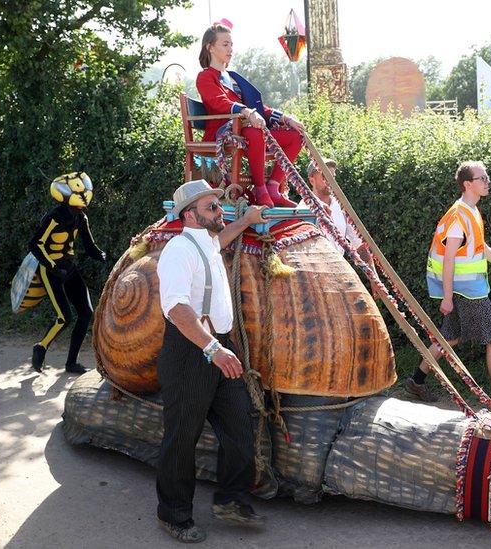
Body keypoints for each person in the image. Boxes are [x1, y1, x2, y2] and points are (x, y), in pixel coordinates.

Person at [155, 179, 268, 543]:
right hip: (192, 352)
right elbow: (176, 307)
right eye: (212, 208)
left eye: (218, 207)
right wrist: (213, 350)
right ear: (190, 215)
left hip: (217, 346)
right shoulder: (178, 250)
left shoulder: (205, 241)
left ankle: (231, 500)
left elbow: (220, 240)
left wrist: (246, 221)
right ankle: (174, 515)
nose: (220, 211)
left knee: (239, 423)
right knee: (181, 437)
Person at [407, 161, 491, 416]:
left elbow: (479, 247)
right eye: (482, 178)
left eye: (486, 177)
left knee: (449, 337)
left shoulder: (471, 211)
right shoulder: (458, 216)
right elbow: (449, 259)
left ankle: (416, 381)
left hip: (465, 289)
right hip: (466, 292)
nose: (487, 181)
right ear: (468, 184)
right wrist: (447, 298)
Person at [196, 21, 304, 208]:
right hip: (223, 134)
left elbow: (259, 107)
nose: (230, 49)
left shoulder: (233, 78)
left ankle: (272, 188)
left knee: (295, 136)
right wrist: (246, 111)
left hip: (245, 130)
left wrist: (286, 118)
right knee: (255, 132)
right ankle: (260, 189)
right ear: (210, 47)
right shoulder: (205, 76)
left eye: (231, 44)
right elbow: (219, 102)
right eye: (225, 44)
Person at [27, 172, 107, 374]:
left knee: (86, 313)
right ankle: (41, 347)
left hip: (69, 269)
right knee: (64, 317)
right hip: (50, 271)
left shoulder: (81, 217)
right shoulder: (54, 218)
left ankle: (71, 363)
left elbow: (89, 246)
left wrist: (104, 256)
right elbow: (35, 245)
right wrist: (53, 267)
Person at [296, 158, 370, 259]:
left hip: (339, 266)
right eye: (325, 176)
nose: (330, 181)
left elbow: (358, 244)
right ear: (312, 180)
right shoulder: (304, 209)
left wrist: (372, 272)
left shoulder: (340, 205)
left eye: (332, 177)